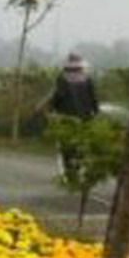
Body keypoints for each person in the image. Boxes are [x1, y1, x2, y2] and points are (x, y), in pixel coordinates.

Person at [48, 52, 100, 183]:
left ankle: (70, 172)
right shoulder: (87, 79)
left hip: (66, 118)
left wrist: (52, 110)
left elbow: (57, 97)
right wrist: (95, 113)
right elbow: (93, 99)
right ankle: (78, 169)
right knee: (81, 144)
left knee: (67, 146)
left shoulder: (62, 78)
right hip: (85, 118)